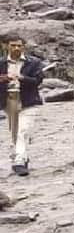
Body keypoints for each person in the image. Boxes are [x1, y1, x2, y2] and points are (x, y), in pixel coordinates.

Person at [0, 38, 45, 177]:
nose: (16, 48)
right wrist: (3, 78)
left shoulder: (34, 62)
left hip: (29, 101)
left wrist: (22, 77)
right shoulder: (1, 63)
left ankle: (18, 162)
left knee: (23, 130)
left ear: (23, 47)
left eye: (19, 46)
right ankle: (23, 157)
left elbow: (37, 81)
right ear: (6, 46)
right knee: (15, 132)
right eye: (13, 45)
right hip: (8, 100)